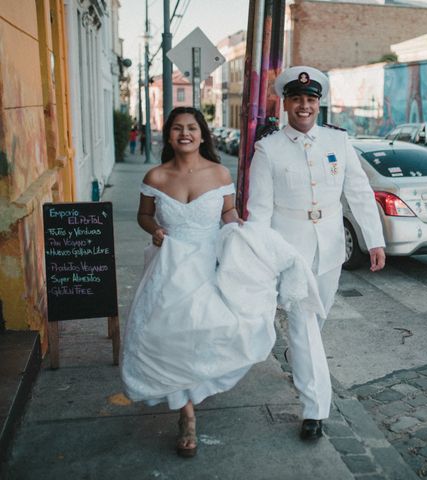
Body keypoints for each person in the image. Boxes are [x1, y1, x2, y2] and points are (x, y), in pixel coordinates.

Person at [121, 107, 322, 458]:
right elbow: (144, 214)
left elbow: (227, 213)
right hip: (169, 264)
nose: (185, 134)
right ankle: (186, 416)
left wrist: (240, 228)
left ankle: (194, 389)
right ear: (168, 135)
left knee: (209, 330)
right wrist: (154, 230)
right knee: (168, 335)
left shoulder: (218, 173)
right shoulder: (155, 177)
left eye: (192, 128)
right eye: (178, 128)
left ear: (202, 135)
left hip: (209, 261)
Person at [247, 65, 386, 441]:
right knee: (305, 324)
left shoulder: (338, 143)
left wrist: (375, 240)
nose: (304, 106)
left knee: (316, 320)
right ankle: (314, 410)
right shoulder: (269, 148)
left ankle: (302, 359)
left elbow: (358, 192)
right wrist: (258, 256)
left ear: (318, 104)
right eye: (296, 99)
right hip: (289, 250)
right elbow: (258, 210)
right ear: (286, 103)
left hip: (330, 247)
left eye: (310, 100)